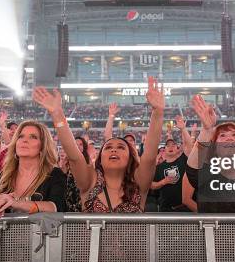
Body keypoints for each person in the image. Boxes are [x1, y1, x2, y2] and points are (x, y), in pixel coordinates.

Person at [33, 76, 164, 213]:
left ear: (131, 156)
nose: (114, 150)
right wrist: (57, 114)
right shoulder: (90, 180)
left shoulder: (139, 181)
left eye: (120, 147)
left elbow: (149, 155)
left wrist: (158, 112)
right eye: (108, 147)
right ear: (100, 157)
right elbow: (74, 156)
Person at [0, 120, 66, 217]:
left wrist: (14, 203)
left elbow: (55, 208)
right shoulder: (3, 175)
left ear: (42, 146)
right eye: (21, 136)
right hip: (5, 232)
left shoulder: (54, 174)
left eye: (33, 137)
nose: (24, 140)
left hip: (39, 232)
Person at [151, 139, 196, 212]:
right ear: (164, 150)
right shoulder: (159, 167)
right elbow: (151, 185)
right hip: (167, 209)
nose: (170, 147)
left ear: (177, 149)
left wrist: (183, 129)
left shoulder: (184, 160)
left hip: (186, 208)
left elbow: (189, 146)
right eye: (168, 146)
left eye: (173, 145)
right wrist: (163, 182)